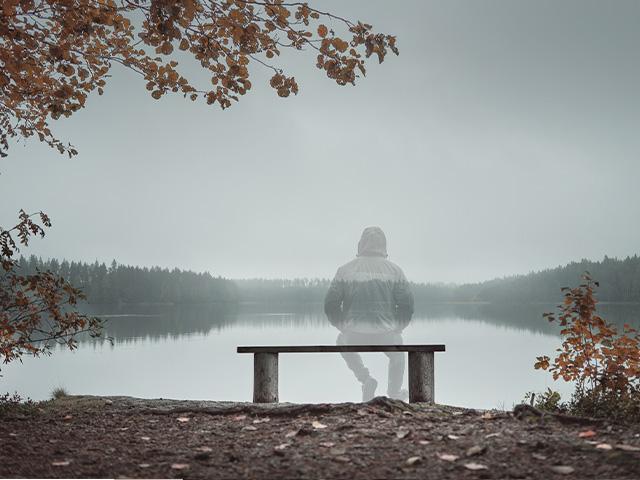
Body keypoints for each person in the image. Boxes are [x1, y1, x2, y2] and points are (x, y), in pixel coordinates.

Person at [324, 226, 414, 401]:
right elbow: (407, 305)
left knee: (341, 340)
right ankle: (394, 392)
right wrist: (397, 328)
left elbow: (330, 304)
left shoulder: (345, 270)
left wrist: (343, 326)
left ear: (361, 245)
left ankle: (365, 379)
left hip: (353, 335)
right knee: (398, 352)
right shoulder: (395, 271)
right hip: (386, 334)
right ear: (384, 246)